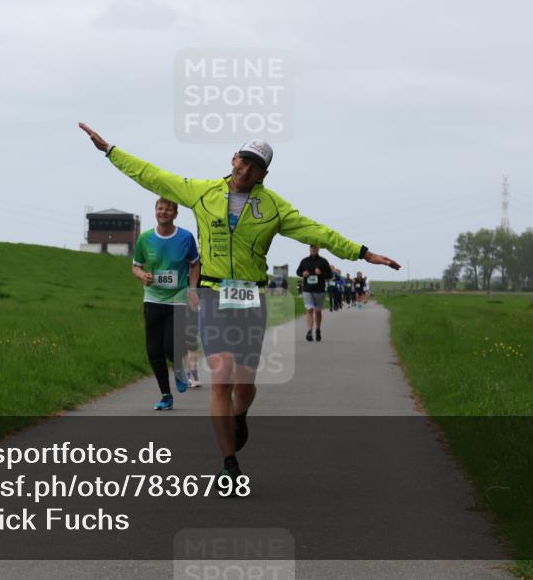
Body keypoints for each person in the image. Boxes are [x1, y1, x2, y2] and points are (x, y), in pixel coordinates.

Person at [77, 123, 400, 488]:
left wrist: (362, 252)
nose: (245, 169)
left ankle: (240, 415)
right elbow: (154, 177)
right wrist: (111, 151)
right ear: (232, 159)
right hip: (214, 293)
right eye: (242, 160)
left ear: (263, 173)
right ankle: (228, 463)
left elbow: (316, 232)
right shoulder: (202, 193)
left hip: (250, 296)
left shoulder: (274, 207)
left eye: (254, 165)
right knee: (222, 376)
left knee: (243, 385)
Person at [132, 197, 200, 410]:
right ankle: (166, 395)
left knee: (170, 346)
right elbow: (136, 266)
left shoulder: (186, 238)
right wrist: (142, 275)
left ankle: (178, 366)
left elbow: (195, 264)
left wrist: (192, 289)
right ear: (155, 211)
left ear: (175, 214)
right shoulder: (144, 238)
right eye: (160, 208)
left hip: (177, 299)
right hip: (152, 298)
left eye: (168, 209)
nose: (163, 212)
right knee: (153, 350)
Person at [297, 245, 332, 341]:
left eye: (315, 247)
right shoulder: (304, 261)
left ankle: (318, 329)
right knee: (309, 309)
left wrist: (321, 273)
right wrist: (302, 274)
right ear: (309, 249)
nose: (313, 249)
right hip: (307, 289)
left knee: (317, 311)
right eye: (311, 247)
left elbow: (330, 275)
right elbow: (298, 272)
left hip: (319, 290)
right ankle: (309, 331)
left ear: (318, 249)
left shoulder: (323, 261)